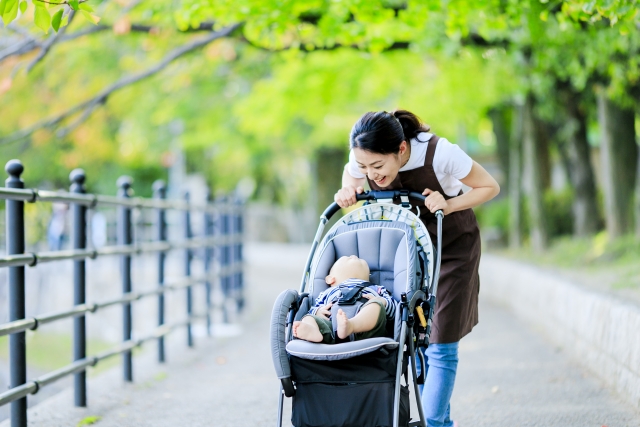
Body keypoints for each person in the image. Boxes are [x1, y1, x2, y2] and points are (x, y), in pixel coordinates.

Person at [334, 110, 500, 427]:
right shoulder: (364, 160)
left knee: (441, 342)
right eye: (364, 166)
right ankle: (439, 421)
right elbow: (352, 179)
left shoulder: (441, 154)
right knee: (417, 342)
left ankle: (432, 423)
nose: (372, 173)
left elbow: (489, 187)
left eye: (378, 166)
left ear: (401, 149)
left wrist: (449, 204)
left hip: (452, 251)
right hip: (409, 255)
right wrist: (348, 189)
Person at [292, 255, 395, 344]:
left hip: (366, 331)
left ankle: (351, 326)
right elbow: (313, 308)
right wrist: (318, 312)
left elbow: (393, 310)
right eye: (346, 258)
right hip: (332, 328)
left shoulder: (376, 288)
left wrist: (382, 302)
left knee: (376, 306)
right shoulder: (327, 292)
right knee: (308, 317)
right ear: (330, 279)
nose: (353, 256)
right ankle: (314, 331)